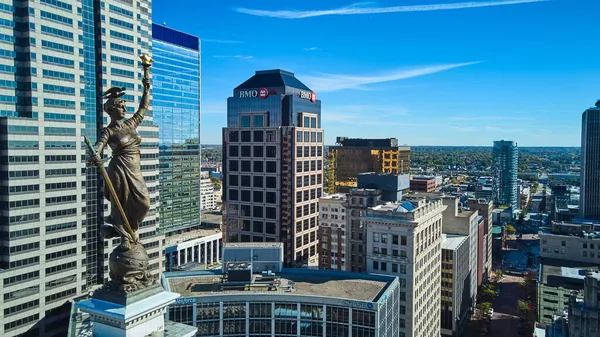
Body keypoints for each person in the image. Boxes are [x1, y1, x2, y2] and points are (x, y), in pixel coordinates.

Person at [89, 75, 151, 244]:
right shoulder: (108, 131)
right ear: (111, 109)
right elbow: (98, 146)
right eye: (120, 106)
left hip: (135, 169)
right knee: (121, 204)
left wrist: (146, 90)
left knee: (144, 203)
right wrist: (94, 154)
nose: (124, 109)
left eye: (124, 106)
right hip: (119, 170)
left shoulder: (131, 124)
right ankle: (123, 231)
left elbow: (142, 109)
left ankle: (126, 229)